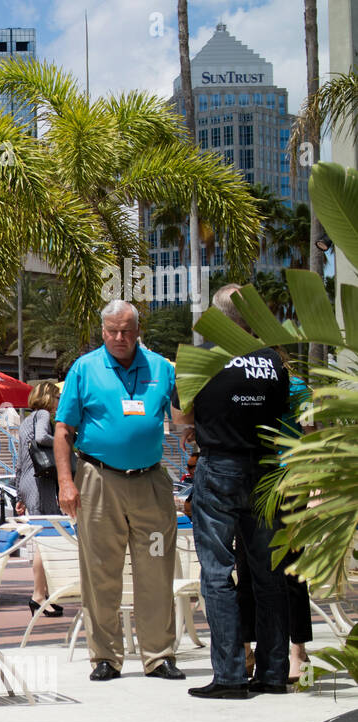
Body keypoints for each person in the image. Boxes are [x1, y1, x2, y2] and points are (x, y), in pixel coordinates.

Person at [54, 299, 184, 682]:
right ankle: (105, 657)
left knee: (157, 569)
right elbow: (63, 432)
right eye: (112, 330)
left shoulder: (162, 369)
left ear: (138, 330)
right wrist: (66, 482)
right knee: (100, 572)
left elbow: (182, 420)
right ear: (103, 331)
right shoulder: (85, 368)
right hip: (98, 479)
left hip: (151, 481)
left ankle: (159, 656)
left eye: (126, 330)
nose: (119, 337)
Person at [172, 284, 291, 699]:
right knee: (268, 574)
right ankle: (274, 672)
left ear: (221, 318)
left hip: (219, 466)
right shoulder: (275, 361)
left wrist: (195, 424)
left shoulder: (201, 356)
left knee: (218, 574)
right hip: (265, 468)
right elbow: (282, 409)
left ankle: (230, 675)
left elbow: (179, 415)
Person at [15, 380, 64, 617]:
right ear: (48, 397)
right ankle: (38, 595)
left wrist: (18, 493)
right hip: (39, 480)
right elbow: (44, 438)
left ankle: (44, 595)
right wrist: (65, 443)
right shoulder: (44, 414)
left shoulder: (25, 421)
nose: (58, 402)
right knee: (46, 538)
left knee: (42, 537)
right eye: (56, 397)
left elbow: (19, 460)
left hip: (27, 480)